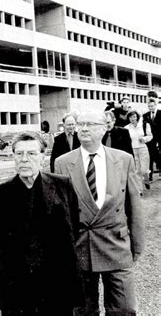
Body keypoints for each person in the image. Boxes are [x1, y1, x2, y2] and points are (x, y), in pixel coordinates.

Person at [55, 111, 144, 315]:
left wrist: (137, 245)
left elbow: (134, 205)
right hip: (80, 247)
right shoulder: (62, 163)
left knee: (124, 308)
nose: (84, 128)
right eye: (81, 124)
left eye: (90, 124)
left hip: (117, 245)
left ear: (104, 128)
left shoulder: (123, 159)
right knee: (82, 309)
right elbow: (59, 210)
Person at [0, 132, 83, 314]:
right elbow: (5, 243)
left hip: (57, 280)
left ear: (43, 156)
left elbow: (73, 229)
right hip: (19, 283)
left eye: (31, 154)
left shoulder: (63, 186)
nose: (24, 159)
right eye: (19, 153)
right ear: (13, 156)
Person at [125, 110, 152, 190]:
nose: (132, 119)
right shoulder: (126, 128)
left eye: (134, 117)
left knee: (144, 169)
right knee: (137, 170)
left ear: (137, 117)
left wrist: (144, 139)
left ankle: (146, 178)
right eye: (130, 117)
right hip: (133, 150)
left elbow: (150, 136)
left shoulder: (144, 125)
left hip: (143, 149)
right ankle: (139, 189)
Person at [142, 99, 161, 180]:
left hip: (160, 139)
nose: (150, 108)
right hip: (150, 140)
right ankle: (150, 175)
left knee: (159, 157)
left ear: (155, 105)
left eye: (152, 106)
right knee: (149, 157)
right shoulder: (145, 115)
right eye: (149, 106)